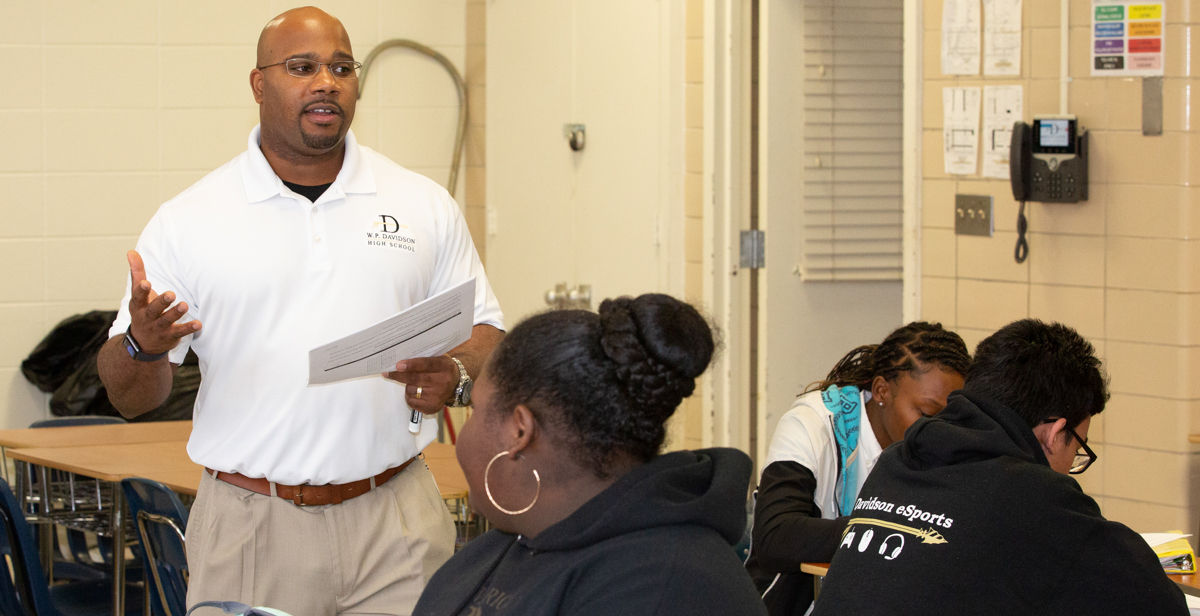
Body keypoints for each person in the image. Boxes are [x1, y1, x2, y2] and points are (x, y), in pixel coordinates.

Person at [96, 8, 504, 615]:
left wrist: (459, 376)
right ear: (259, 84)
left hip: (398, 518)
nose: (326, 82)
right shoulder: (190, 221)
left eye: (341, 67)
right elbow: (131, 398)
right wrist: (144, 345)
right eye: (302, 67)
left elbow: (487, 334)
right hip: (251, 526)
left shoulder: (422, 204)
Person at [413, 294, 767, 616]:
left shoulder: (668, 589)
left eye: (474, 409)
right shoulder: (506, 544)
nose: (465, 435)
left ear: (519, 430)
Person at [810, 319, 1189, 615]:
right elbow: (1162, 606)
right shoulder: (1038, 499)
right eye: (1077, 449)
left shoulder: (899, 462)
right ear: (1056, 433)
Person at [745, 322, 970, 616]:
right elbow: (775, 537)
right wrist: (888, 528)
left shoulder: (944, 445)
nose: (939, 430)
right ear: (881, 391)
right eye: (926, 414)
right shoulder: (812, 423)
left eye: (950, 417)